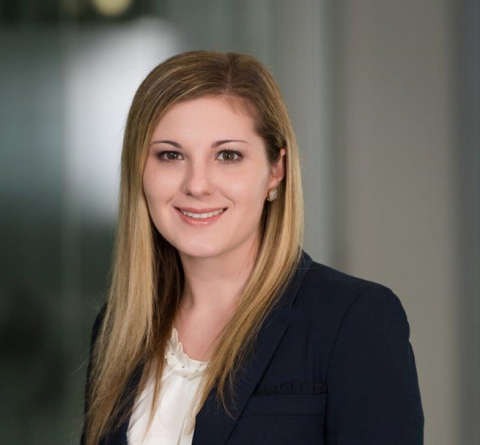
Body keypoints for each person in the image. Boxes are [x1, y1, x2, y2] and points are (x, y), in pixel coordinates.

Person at [80, 50, 424, 445]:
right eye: (171, 155)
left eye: (228, 155)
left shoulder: (353, 321)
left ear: (275, 171)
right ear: (139, 171)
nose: (197, 184)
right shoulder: (118, 328)